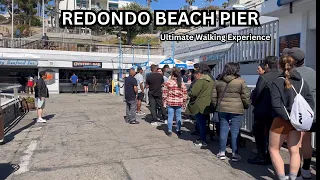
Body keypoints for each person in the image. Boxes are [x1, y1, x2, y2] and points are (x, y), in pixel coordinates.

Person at [269, 55, 314, 180]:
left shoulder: (278, 82)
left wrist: (288, 117)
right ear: (295, 66)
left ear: (280, 66)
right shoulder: (302, 82)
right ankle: (294, 177)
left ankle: (282, 178)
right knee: (294, 151)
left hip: (281, 122)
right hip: (297, 123)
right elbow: (310, 101)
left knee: (274, 149)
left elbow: (276, 104)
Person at [284, 48, 316, 179]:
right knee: (307, 141)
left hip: (297, 114)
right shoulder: (313, 72)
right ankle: (306, 169)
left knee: (295, 144)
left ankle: (296, 174)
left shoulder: (291, 74)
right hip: (312, 112)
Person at [216, 62, 250, 162]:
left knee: (223, 129)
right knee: (235, 131)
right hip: (236, 108)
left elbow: (213, 96)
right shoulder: (241, 81)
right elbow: (246, 96)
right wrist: (245, 105)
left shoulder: (219, 81)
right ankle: (235, 154)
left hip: (222, 108)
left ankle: (222, 152)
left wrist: (216, 105)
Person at [248, 56, 280, 165]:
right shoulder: (282, 75)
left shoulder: (264, 77)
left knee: (260, 134)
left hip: (262, 111)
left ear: (266, 65)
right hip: (277, 111)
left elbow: (257, 94)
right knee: (274, 135)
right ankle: (272, 156)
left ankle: (262, 156)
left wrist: (254, 102)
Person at [186, 69, 216, 148]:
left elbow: (193, 93)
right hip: (209, 104)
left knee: (201, 124)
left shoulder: (200, 81)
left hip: (200, 104)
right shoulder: (211, 81)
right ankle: (206, 137)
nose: (195, 77)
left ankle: (203, 140)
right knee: (206, 122)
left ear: (198, 74)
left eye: (195, 76)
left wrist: (189, 93)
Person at [163, 68, 188, 137]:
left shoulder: (168, 82)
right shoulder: (181, 83)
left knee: (170, 117)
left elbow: (164, 93)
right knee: (178, 117)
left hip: (170, 102)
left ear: (172, 74)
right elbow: (185, 93)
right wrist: (184, 101)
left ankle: (169, 130)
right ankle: (178, 130)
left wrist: (164, 102)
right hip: (179, 102)